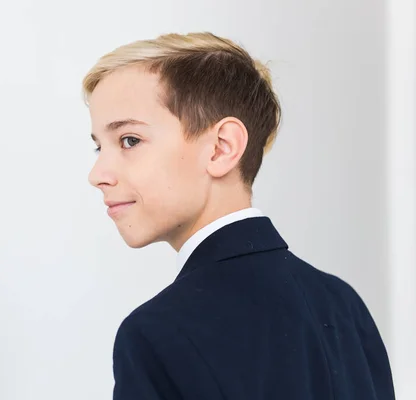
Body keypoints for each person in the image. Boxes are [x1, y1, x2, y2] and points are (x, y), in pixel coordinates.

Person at [82, 32, 395, 400]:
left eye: (129, 140)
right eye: (98, 146)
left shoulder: (157, 332)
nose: (97, 174)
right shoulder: (343, 305)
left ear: (221, 148)